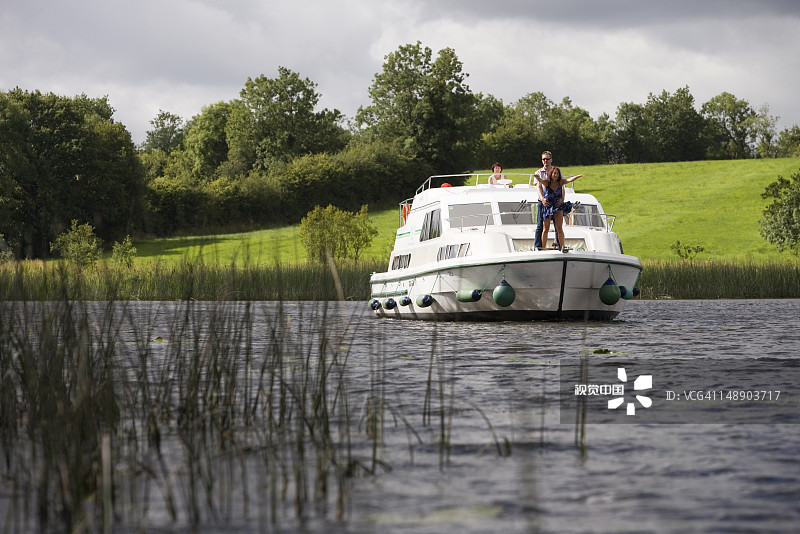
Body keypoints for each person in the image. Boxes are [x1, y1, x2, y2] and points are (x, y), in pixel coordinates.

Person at [540, 166, 579, 250]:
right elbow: (541, 181)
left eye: (557, 173)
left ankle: (562, 247)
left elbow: (569, 180)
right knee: (545, 228)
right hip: (548, 207)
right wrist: (536, 177)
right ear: (551, 174)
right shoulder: (547, 182)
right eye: (554, 173)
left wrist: (576, 177)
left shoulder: (561, 183)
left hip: (558, 206)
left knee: (559, 228)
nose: (556, 175)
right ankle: (543, 248)